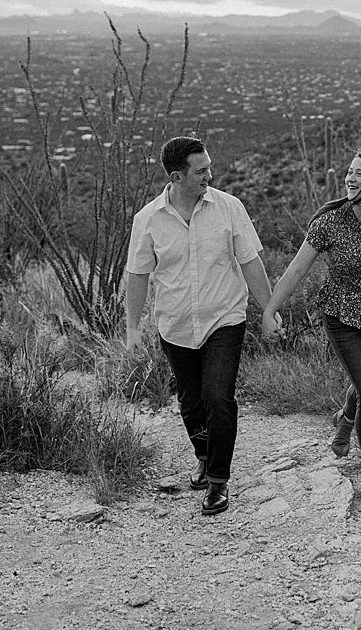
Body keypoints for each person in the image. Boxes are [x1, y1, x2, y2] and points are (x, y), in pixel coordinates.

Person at [261, 149, 361, 508]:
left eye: (358, 174)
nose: (350, 179)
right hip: (341, 315)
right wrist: (270, 309)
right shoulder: (331, 221)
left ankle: (345, 416)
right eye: (349, 173)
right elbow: (297, 269)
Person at [124, 136, 274, 516]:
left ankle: (218, 483)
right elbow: (138, 275)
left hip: (224, 317)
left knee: (218, 398)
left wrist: (269, 310)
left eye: (209, 166)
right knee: (191, 402)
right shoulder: (148, 220)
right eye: (201, 170)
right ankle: (205, 456)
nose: (210, 174)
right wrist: (132, 329)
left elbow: (250, 263)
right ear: (177, 176)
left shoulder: (229, 208)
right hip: (175, 324)